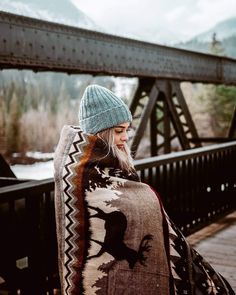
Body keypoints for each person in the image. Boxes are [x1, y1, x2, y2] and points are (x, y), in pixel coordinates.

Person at [54, 85, 234, 295]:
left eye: (127, 130)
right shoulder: (80, 172)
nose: (125, 137)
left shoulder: (112, 168)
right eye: (119, 131)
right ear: (101, 134)